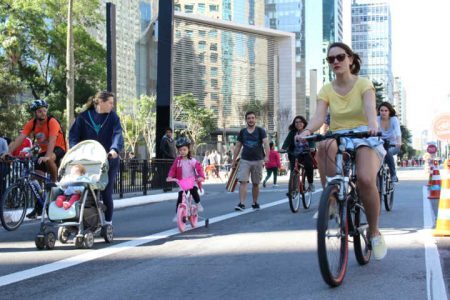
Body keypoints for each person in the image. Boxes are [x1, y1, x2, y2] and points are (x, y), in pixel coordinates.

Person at [298, 42, 387, 260]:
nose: (335, 62)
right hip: (340, 134)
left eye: (340, 57)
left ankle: (374, 230)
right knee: (324, 144)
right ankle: (332, 197)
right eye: (331, 59)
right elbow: (319, 116)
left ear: (350, 59)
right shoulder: (327, 89)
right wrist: (308, 130)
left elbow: (369, 108)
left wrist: (372, 125)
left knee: (366, 179)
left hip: (364, 135)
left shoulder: (363, 83)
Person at [2, 99, 67, 218]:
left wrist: (48, 156)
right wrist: (8, 152)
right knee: (35, 179)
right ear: (35, 113)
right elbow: (20, 138)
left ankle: (54, 182)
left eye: (44, 110)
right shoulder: (32, 123)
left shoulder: (52, 121)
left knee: (50, 159)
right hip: (43, 151)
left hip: (58, 148)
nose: (43, 113)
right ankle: (39, 207)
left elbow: (52, 140)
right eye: (39, 111)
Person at [69, 91, 124, 225]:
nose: (112, 105)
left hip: (108, 159)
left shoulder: (113, 117)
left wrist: (114, 149)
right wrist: (75, 151)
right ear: (100, 101)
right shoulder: (83, 117)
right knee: (84, 189)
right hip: (87, 161)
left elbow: (118, 134)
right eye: (110, 102)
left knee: (106, 191)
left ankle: (108, 222)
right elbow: (73, 136)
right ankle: (84, 218)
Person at [231, 111, 270, 211]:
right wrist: (234, 160)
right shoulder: (243, 132)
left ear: (255, 119)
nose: (251, 120)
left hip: (258, 160)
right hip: (245, 160)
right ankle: (241, 203)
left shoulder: (260, 131)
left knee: (256, 183)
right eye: (249, 118)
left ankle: (255, 202)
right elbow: (238, 146)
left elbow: (266, 143)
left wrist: (267, 156)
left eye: (252, 118)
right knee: (243, 181)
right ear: (246, 120)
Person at [166, 137, 205, 222]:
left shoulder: (192, 160)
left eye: (184, 149)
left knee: (193, 191)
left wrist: (200, 177)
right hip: (182, 182)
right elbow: (173, 169)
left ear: (188, 149)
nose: (182, 152)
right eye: (180, 150)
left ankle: (198, 204)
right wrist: (170, 176)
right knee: (180, 198)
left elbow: (199, 169)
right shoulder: (178, 160)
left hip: (192, 181)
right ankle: (177, 215)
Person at [281, 116, 315, 192]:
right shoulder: (292, 133)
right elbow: (287, 141)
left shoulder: (308, 131)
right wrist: (283, 148)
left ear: (304, 123)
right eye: (296, 122)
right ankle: (293, 189)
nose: (298, 124)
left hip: (306, 153)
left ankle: (310, 184)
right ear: (294, 124)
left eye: (300, 122)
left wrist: (312, 147)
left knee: (309, 165)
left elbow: (312, 141)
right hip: (295, 154)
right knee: (293, 169)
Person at [377, 101, 402, 182]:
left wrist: (399, 142)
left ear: (389, 111)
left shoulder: (394, 119)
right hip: (380, 144)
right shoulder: (376, 119)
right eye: (381, 110)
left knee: (388, 152)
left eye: (386, 110)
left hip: (393, 145)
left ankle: (393, 175)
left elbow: (398, 132)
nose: (383, 112)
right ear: (379, 111)